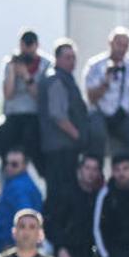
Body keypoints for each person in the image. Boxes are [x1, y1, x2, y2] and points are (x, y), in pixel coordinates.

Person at [84, 27, 129, 158]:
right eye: (119, 44)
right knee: (96, 134)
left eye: (125, 45)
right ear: (111, 43)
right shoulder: (95, 65)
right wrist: (105, 82)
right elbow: (91, 98)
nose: (122, 49)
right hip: (101, 113)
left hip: (123, 114)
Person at [0, 30, 52, 174]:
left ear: (37, 45)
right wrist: (12, 73)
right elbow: (8, 94)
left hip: (34, 115)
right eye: (24, 45)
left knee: (31, 136)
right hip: (13, 115)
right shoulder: (10, 63)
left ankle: (35, 172)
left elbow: (41, 98)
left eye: (30, 44)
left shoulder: (46, 65)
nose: (27, 49)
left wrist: (26, 76)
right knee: (2, 133)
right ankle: (7, 171)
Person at [38, 39, 89, 192]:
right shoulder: (56, 80)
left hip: (65, 147)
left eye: (74, 57)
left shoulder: (65, 78)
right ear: (57, 58)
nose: (72, 61)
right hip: (60, 149)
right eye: (68, 57)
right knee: (60, 194)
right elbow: (58, 116)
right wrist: (79, 137)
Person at [0, 150, 43, 253]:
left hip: (11, 247)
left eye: (14, 164)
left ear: (25, 165)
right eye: (6, 163)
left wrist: (11, 245)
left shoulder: (19, 187)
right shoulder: (13, 183)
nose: (8, 167)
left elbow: (25, 219)